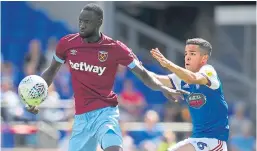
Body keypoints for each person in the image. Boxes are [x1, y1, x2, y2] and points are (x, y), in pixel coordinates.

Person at [25, 3, 187, 151]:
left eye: (87, 21)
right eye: (81, 20)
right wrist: (36, 98)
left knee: (113, 148)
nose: (82, 25)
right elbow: (51, 71)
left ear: (99, 22)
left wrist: (162, 87)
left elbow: (143, 74)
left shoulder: (115, 48)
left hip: (105, 113)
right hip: (81, 118)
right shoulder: (67, 44)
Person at [149, 38, 229, 151]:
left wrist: (168, 64)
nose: (187, 57)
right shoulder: (180, 79)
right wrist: (133, 64)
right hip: (196, 140)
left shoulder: (208, 71)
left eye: (192, 53)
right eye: (186, 53)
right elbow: (155, 79)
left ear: (204, 58)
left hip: (214, 142)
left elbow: (192, 78)